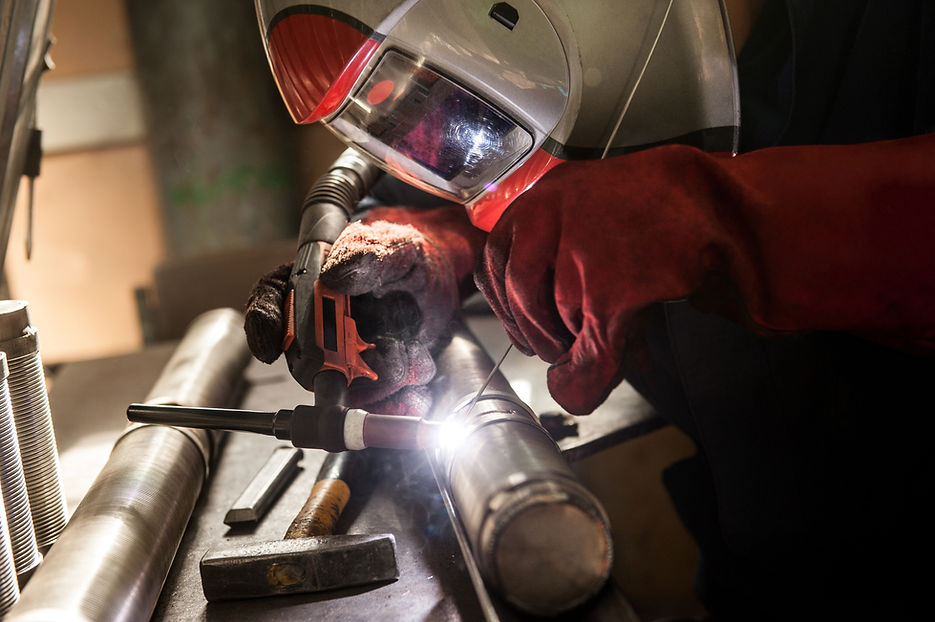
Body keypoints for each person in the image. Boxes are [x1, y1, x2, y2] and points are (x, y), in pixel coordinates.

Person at [246, 1, 935, 618]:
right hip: (765, 565)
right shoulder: (595, 90)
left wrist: (734, 221)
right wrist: (425, 245)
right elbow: (480, 178)